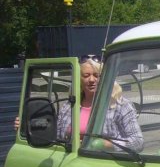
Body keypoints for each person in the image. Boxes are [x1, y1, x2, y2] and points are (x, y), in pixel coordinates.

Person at [15, 57, 143, 151]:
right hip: (73, 163)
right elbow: (55, 136)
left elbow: (137, 142)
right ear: (79, 79)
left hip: (106, 165)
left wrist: (106, 144)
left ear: (105, 78)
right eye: (86, 75)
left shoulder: (120, 105)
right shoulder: (69, 106)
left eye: (96, 75)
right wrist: (27, 126)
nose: (91, 80)